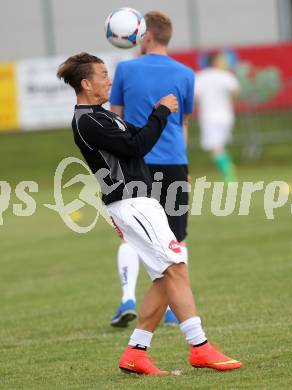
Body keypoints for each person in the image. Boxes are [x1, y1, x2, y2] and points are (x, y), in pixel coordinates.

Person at [57, 52, 242, 375]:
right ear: (86, 83)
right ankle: (199, 347)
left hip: (140, 202)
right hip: (131, 203)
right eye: (103, 75)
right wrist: (161, 111)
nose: (109, 80)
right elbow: (137, 146)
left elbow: (138, 139)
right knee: (176, 268)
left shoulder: (101, 116)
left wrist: (158, 117)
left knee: (163, 278)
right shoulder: (87, 121)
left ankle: (136, 353)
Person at [109, 11, 194, 326]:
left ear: (144, 36)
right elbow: (183, 124)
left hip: (135, 163)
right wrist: (184, 166)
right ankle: (173, 307)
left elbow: (115, 119)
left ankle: (127, 299)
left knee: (131, 236)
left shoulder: (125, 70)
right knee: (176, 237)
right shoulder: (186, 73)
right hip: (173, 162)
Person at [195, 51, 240, 182]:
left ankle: (229, 172)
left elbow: (195, 97)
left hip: (209, 117)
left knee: (216, 148)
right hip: (226, 116)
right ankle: (228, 169)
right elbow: (236, 92)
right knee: (220, 146)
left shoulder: (200, 77)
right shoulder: (226, 75)